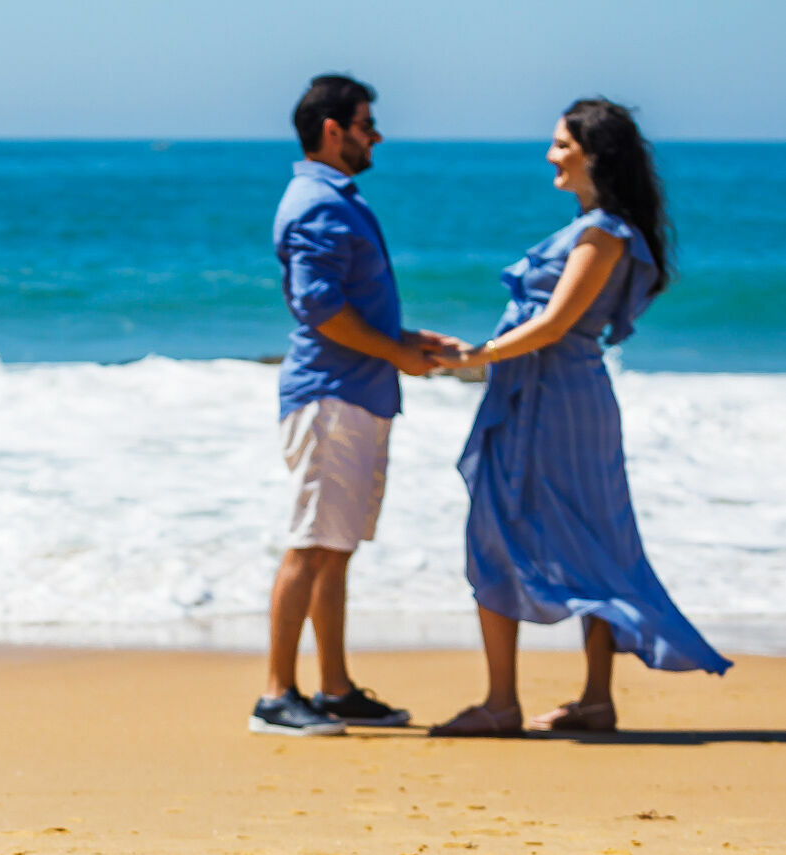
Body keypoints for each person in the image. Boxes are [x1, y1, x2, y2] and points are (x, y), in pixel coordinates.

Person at [430, 99, 731, 737]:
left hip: (556, 400)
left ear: (596, 154)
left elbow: (556, 324)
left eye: (562, 144)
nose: (551, 155)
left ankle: (505, 703)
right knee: (589, 537)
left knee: (511, 530)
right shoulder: (599, 226)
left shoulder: (603, 233)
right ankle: (587, 701)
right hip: (556, 395)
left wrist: (472, 356)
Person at [251, 74, 460, 736]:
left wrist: (402, 341)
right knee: (311, 543)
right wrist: (393, 352)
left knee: (335, 546)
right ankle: (275, 695)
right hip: (332, 393)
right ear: (332, 130)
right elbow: (318, 311)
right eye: (367, 123)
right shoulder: (315, 202)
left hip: (356, 391)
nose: (377, 135)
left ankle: (333, 687)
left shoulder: (335, 198)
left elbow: (343, 308)